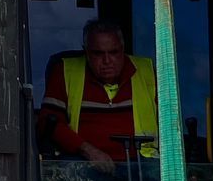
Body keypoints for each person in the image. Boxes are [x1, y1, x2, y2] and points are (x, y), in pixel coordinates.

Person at [37, 19, 159, 172]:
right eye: (98, 53)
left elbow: (170, 125)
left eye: (113, 52)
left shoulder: (148, 72)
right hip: (85, 163)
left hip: (143, 164)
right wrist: (88, 151)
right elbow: (48, 123)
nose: (107, 61)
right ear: (86, 51)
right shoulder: (65, 71)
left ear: (123, 49)